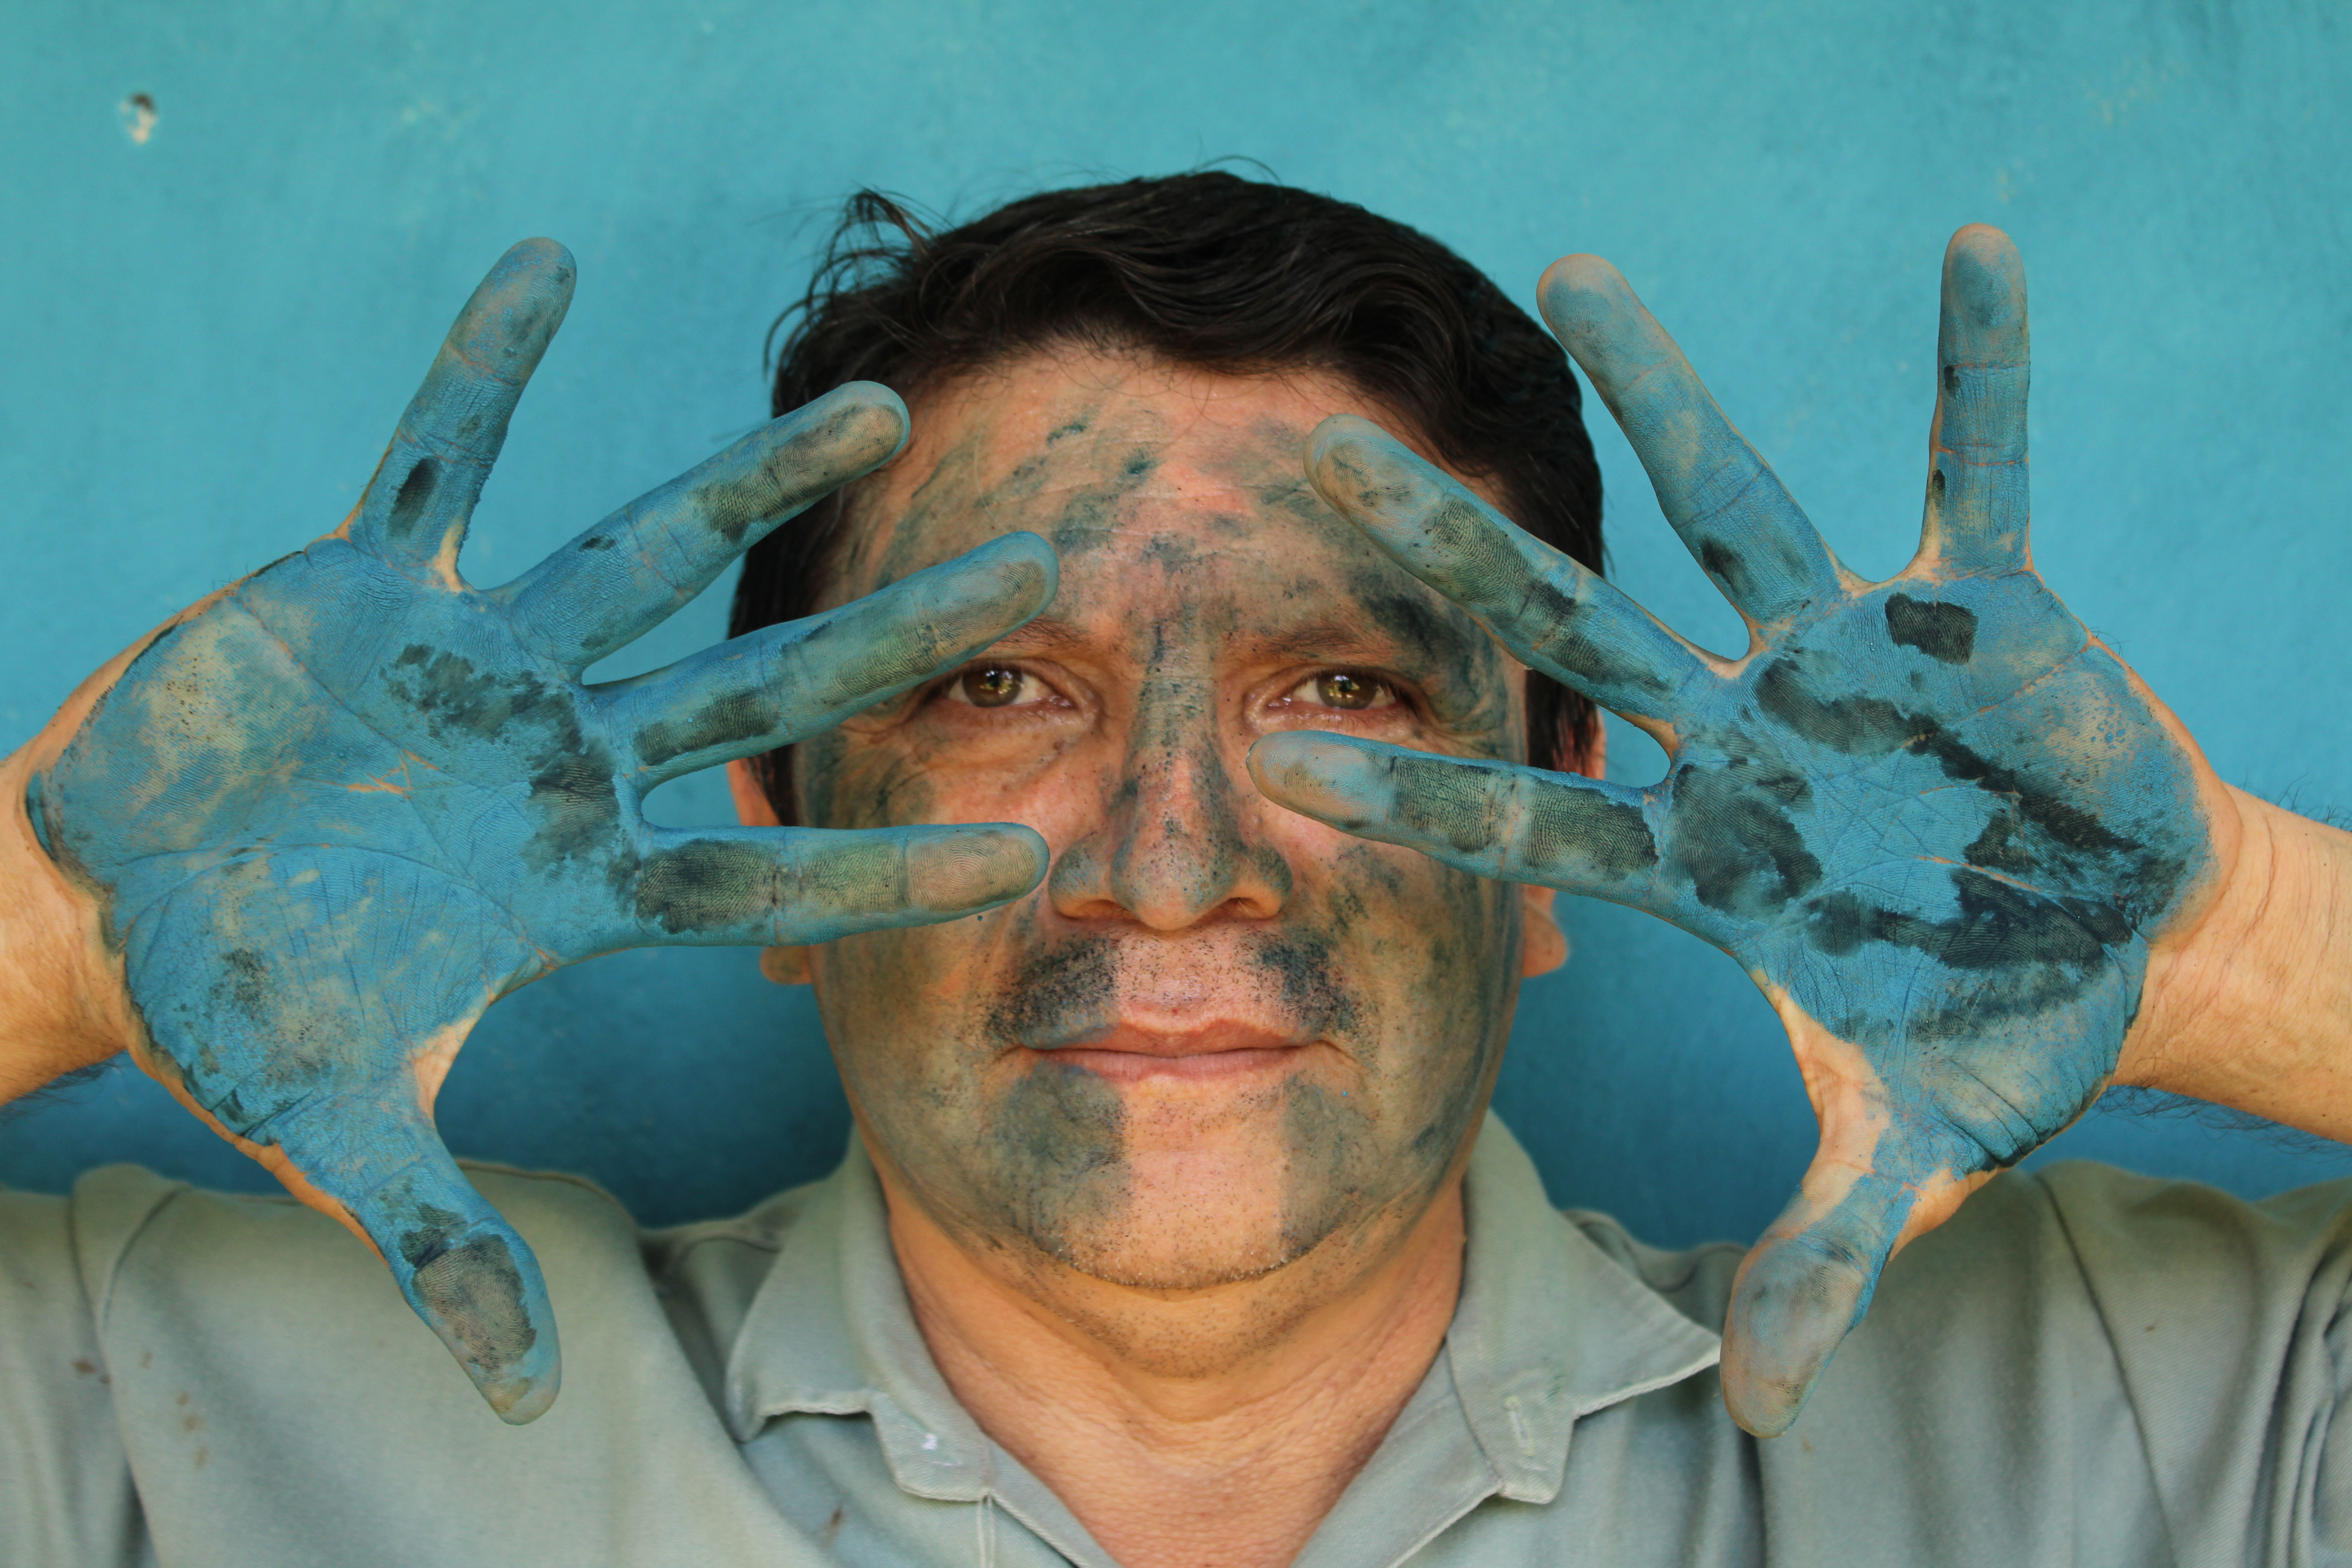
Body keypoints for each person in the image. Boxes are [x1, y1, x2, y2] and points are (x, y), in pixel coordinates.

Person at [1, 171, 2346, 1567]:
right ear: (774, 821)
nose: (1173, 864)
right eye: (997, 687)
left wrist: (2228, 939)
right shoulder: (204, 1418)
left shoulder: (2130, 1430)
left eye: (1348, 691)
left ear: (1567, 835)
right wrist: (57, 930)